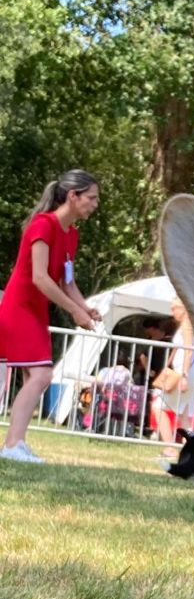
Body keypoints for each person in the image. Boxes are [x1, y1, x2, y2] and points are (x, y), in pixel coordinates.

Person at [0, 170, 101, 463]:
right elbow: (41, 278)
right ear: (72, 196)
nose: (94, 204)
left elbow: (67, 283)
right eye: (91, 198)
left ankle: (15, 444)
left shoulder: (72, 234)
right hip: (19, 308)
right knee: (42, 374)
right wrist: (74, 311)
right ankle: (12, 445)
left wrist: (85, 307)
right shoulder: (43, 225)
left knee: (36, 376)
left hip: (36, 311)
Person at [155, 297, 194, 458]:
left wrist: (184, 375)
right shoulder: (193, 325)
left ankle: (170, 448)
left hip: (184, 374)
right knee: (185, 415)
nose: (172, 312)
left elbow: (188, 350)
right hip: (193, 372)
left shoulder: (187, 324)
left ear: (183, 308)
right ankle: (190, 452)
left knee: (158, 407)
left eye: (174, 308)